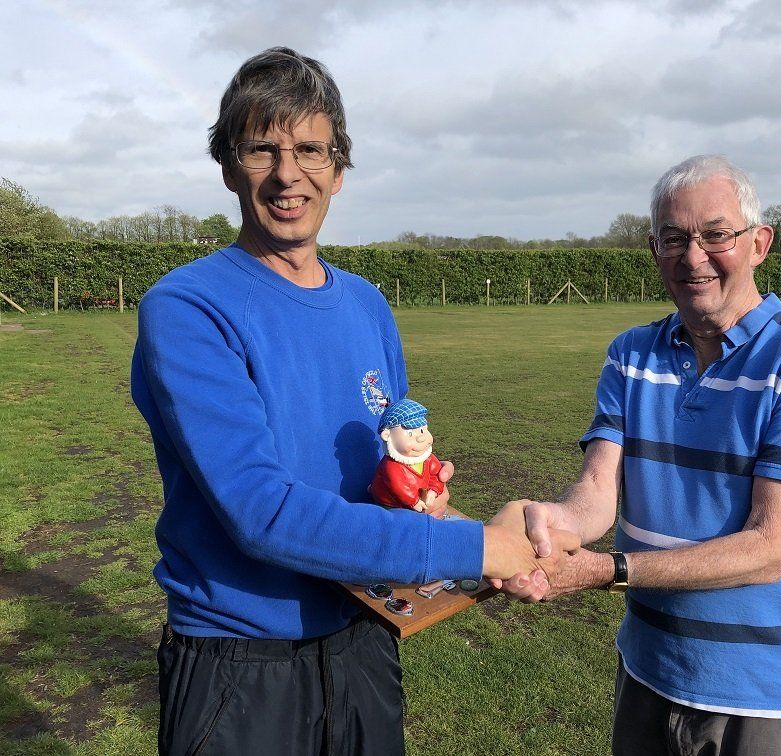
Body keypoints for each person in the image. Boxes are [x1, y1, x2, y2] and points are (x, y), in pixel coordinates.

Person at [131, 47, 576, 756]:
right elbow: (261, 512)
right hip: (240, 664)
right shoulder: (187, 308)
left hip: (366, 639)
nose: (287, 174)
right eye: (261, 149)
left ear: (338, 171)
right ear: (226, 166)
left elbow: (383, 458)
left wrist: (422, 493)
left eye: (310, 149)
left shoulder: (368, 304)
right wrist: (475, 546)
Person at [498, 155, 781, 755]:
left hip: (760, 697)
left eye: (716, 234)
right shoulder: (630, 353)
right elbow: (595, 494)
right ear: (653, 248)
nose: (694, 256)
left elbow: (771, 548)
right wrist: (549, 527)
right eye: (673, 237)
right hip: (647, 674)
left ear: (758, 243)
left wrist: (605, 570)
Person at [369, 398, 444, 512]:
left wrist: (434, 490)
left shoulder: (428, 459)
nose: (421, 437)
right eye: (410, 433)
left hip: (417, 501)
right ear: (387, 435)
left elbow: (437, 475)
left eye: (422, 430)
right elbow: (399, 487)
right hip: (391, 503)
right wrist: (413, 501)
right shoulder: (392, 466)